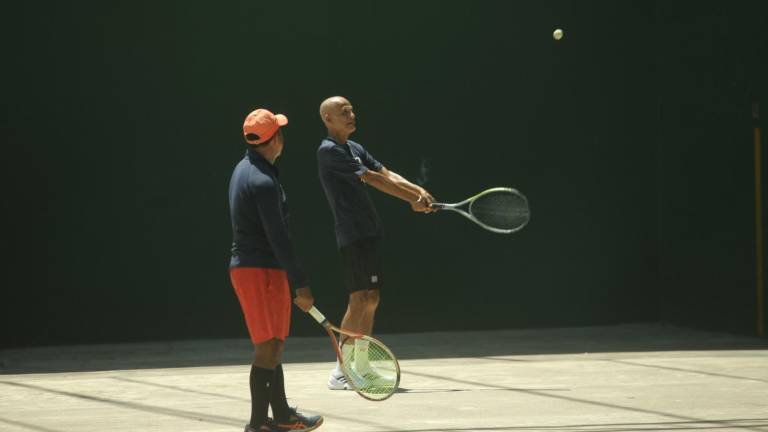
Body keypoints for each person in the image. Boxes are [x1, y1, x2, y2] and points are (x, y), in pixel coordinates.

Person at [316, 96, 436, 390]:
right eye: (344, 112)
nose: (351, 114)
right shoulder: (329, 151)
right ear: (328, 119)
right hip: (351, 234)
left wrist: (418, 190)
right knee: (358, 299)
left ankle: (362, 366)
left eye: (352, 109)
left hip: (368, 231)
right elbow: (371, 179)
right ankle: (340, 372)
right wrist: (412, 200)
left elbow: (386, 173)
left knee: (372, 299)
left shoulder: (354, 148)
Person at [229, 108, 323, 432]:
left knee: (274, 344)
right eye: (281, 131)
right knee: (268, 347)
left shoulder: (245, 169)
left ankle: (282, 416)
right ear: (276, 139)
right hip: (261, 271)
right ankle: (258, 426)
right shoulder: (262, 180)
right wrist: (302, 284)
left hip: (257, 269)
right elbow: (279, 238)